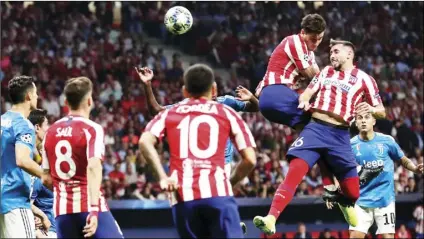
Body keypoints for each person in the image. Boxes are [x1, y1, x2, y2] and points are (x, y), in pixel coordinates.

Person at [253, 39, 386, 235]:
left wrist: (372, 109)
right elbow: (307, 93)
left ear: (349, 54)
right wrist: (305, 100)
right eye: (330, 52)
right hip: (315, 129)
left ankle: (342, 199)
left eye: (336, 51)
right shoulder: (325, 72)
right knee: (294, 173)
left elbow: (382, 111)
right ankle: (271, 218)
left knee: (353, 192)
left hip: (340, 135)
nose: (332, 55)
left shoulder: (365, 79)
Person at [139, 64, 257, 238]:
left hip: (183, 196)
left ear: (185, 91)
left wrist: (162, 177)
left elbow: (145, 140)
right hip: (217, 188)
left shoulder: (176, 110)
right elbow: (250, 160)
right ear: (214, 88)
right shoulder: (226, 111)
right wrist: (229, 183)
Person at [41, 77, 123, 238]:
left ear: (65, 101)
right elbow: (93, 166)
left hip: (62, 212)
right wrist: (93, 210)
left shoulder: (50, 131)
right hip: (88, 206)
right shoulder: (92, 129)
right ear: (90, 101)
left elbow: (45, 179)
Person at [349, 112, 423, 239]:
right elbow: (343, 169)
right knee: (355, 236)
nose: (363, 121)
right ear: (356, 123)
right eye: (359, 118)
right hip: (362, 199)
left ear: (374, 121)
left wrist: (414, 168)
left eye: (367, 117)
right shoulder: (351, 145)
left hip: (385, 199)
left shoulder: (387, 140)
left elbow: (403, 159)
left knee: (388, 236)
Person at [1, 75, 43, 238]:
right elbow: (22, 159)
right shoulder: (24, 124)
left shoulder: (2, 120)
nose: (38, 96)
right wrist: (46, 175)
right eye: (36, 93)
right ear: (28, 96)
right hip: (15, 199)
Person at [28, 109, 56, 238]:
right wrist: (37, 217)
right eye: (46, 124)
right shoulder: (37, 176)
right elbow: (27, 202)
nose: (49, 128)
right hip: (49, 230)